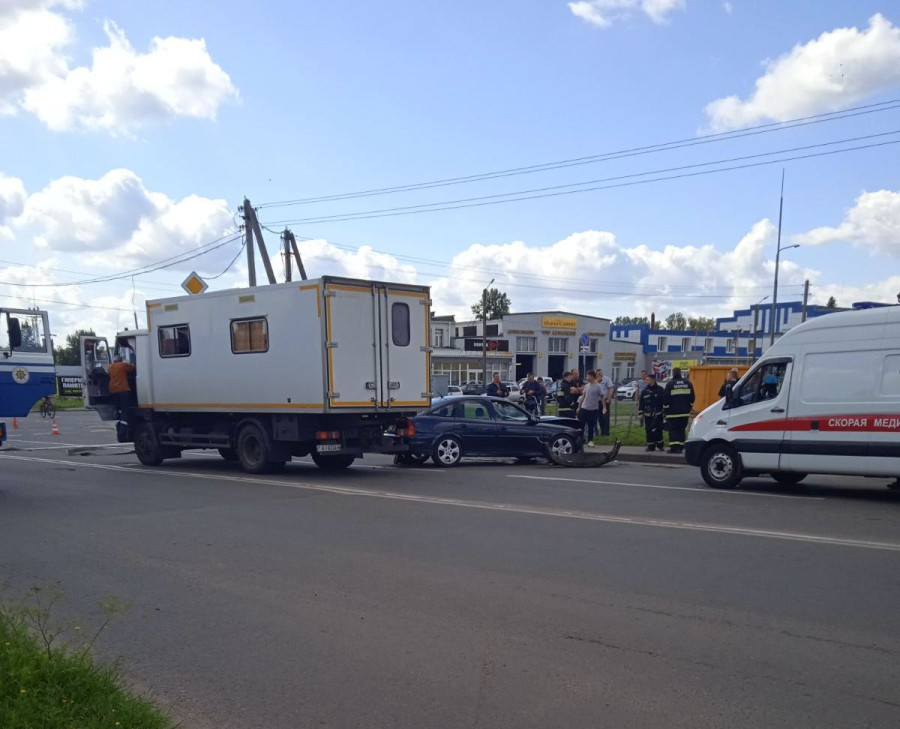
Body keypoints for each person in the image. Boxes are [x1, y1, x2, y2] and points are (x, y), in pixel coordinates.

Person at [663, 367, 695, 454]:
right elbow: (692, 397)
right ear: (680, 373)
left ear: (673, 373)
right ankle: (681, 447)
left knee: (673, 430)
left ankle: (674, 448)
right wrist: (689, 407)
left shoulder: (670, 384)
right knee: (681, 430)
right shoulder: (688, 383)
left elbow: (665, 398)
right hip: (684, 412)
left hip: (672, 413)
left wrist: (666, 409)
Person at [638, 372, 666, 451]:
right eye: (646, 380)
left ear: (653, 380)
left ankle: (660, 445)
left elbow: (664, 401)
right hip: (648, 415)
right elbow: (642, 403)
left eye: (648, 380)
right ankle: (651, 446)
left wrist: (664, 413)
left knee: (658, 430)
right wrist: (641, 413)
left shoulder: (660, 390)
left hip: (658, 414)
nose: (646, 381)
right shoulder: (645, 391)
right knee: (649, 430)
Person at [577, 370, 602, 446]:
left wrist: (604, 407)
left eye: (588, 376)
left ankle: (590, 440)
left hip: (593, 409)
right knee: (581, 425)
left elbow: (602, 397)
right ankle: (581, 440)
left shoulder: (598, 386)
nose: (586, 377)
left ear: (592, 376)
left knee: (591, 426)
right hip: (584, 408)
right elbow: (583, 397)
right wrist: (579, 407)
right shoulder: (587, 386)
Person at [108, 354, 136, 420]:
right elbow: (133, 368)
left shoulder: (109, 367)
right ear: (120, 360)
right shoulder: (122, 365)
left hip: (113, 390)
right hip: (122, 389)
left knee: (118, 406)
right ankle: (124, 420)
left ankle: (119, 416)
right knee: (125, 408)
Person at [595, 368, 614, 436]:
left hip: (605, 401)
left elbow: (611, 388)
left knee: (605, 417)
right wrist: (597, 381)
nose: (599, 374)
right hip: (597, 402)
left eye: (600, 373)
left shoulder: (607, 379)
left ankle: (606, 433)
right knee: (599, 418)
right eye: (598, 373)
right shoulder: (595, 380)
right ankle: (602, 432)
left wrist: (609, 398)